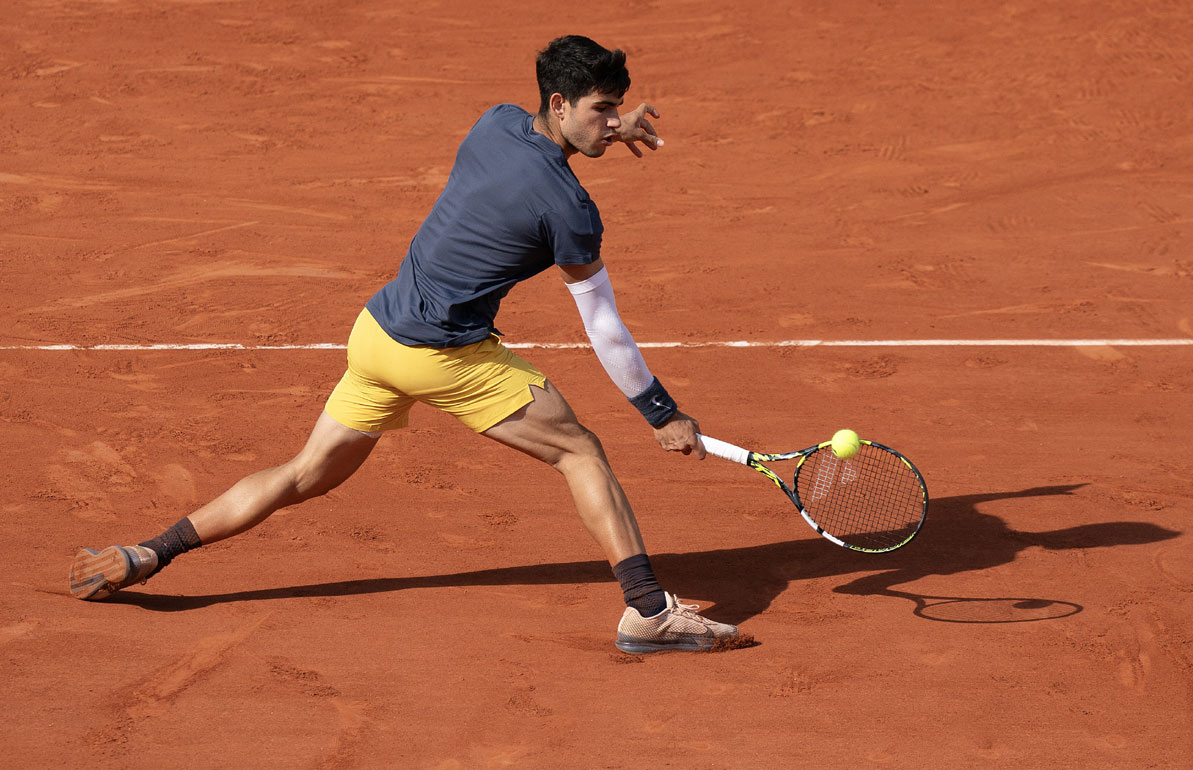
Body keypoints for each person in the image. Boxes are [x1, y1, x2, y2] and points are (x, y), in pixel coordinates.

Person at [69, 35, 739, 654]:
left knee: (302, 475)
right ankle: (647, 611)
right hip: (441, 357)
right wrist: (661, 413)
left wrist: (607, 126)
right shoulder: (570, 210)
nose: (611, 120)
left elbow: (543, 144)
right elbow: (604, 328)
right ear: (561, 104)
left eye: (616, 109)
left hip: (376, 335)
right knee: (580, 450)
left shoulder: (495, 121)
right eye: (602, 109)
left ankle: (150, 551)